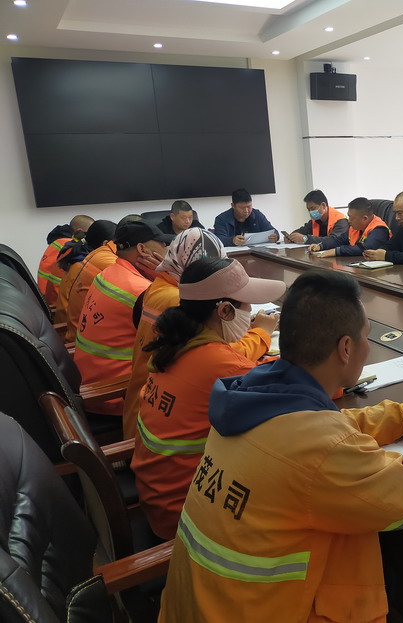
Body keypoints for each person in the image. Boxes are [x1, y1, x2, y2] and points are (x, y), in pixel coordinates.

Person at [158, 269, 403, 622]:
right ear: (346, 348)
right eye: (367, 336)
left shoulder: (249, 398)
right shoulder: (320, 448)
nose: (369, 347)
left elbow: (327, 425)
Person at [132, 257, 284, 540]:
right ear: (225, 310)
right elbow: (296, 392)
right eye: (247, 305)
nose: (250, 312)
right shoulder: (221, 364)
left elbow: (226, 365)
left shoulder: (177, 343)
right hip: (187, 514)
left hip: (158, 496)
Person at [122, 229, 275, 439]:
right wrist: (261, 333)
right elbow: (228, 362)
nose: (249, 310)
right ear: (224, 310)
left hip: (148, 425)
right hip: (159, 441)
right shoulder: (175, 300)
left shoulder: (167, 294)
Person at [74, 220, 173, 417]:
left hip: (90, 379)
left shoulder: (108, 273)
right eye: (163, 245)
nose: (167, 250)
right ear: (142, 249)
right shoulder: (140, 290)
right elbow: (188, 326)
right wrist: (169, 277)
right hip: (116, 394)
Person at [54, 220, 117, 326]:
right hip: (69, 328)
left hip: (65, 323)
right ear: (105, 244)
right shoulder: (91, 263)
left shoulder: (78, 255)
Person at [37, 214, 93, 306]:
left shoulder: (58, 241)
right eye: (89, 233)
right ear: (79, 231)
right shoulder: (69, 246)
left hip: (45, 296)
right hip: (54, 300)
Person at [308, 196, 390, 257]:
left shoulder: (379, 229)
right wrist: (321, 246)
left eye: (351, 217)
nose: (349, 220)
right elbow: (338, 240)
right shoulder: (355, 228)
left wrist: (336, 251)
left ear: (364, 218)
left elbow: (364, 249)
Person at [213, 188, 278, 247]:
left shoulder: (257, 215)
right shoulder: (221, 219)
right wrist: (232, 240)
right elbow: (218, 239)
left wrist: (276, 236)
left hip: (256, 251)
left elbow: (272, 230)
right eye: (242, 208)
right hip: (233, 254)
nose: (246, 211)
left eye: (249, 206)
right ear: (233, 206)